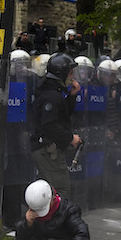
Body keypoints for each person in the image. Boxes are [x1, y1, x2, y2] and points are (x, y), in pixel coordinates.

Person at [30, 53, 82, 197]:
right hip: (47, 149)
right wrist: (70, 138)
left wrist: (72, 96)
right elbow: (50, 125)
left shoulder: (52, 91)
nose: (73, 76)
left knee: (47, 191)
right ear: (62, 73)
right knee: (60, 191)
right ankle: (55, 219)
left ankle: (45, 218)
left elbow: (60, 116)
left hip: (46, 148)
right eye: (70, 73)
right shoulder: (51, 96)